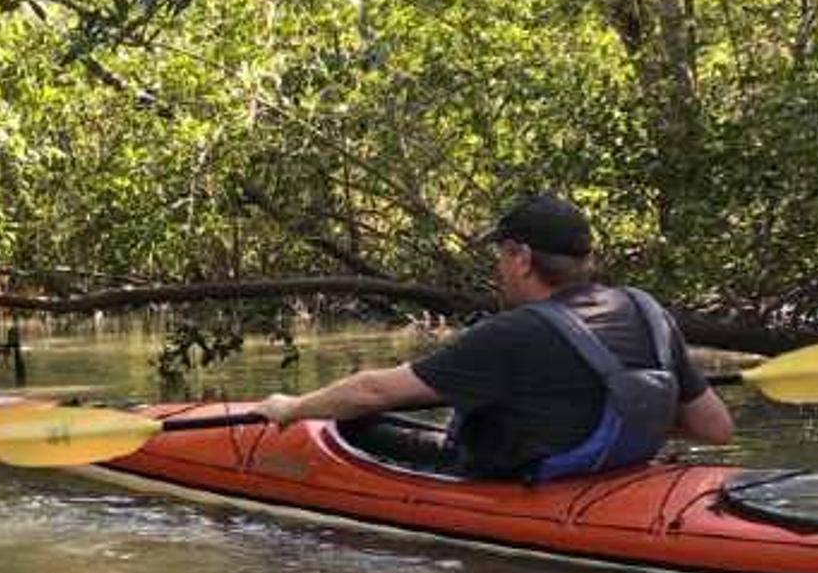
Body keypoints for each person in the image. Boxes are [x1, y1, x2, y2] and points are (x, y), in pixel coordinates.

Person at [248, 195, 735, 479]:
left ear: (521, 257)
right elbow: (716, 429)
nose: (497, 268)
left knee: (355, 421)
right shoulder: (647, 310)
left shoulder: (512, 333)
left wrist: (293, 408)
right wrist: (625, 417)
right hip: (613, 468)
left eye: (500, 256)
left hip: (535, 477)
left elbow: (373, 391)